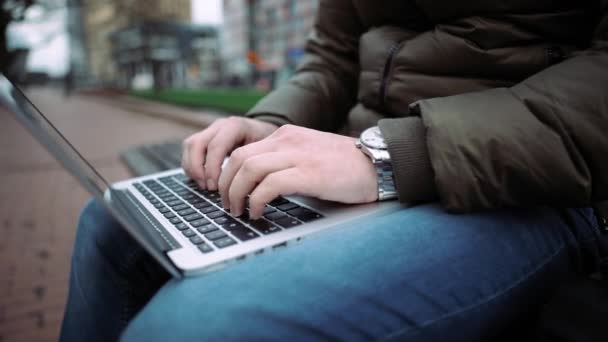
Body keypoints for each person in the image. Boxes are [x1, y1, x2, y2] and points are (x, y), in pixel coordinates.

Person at [60, 0, 608, 341]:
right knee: (112, 223)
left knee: (196, 328)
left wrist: (394, 154)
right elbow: (332, 57)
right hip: (367, 158)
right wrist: (269, 123)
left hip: (530, 179)